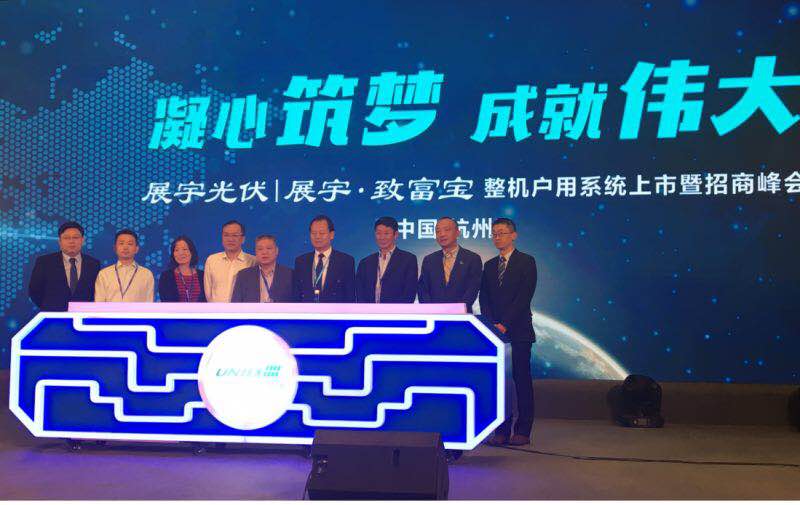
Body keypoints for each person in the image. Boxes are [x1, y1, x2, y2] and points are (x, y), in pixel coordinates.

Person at [479, 218, 537, 446]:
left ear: (513, 235)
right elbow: (484, 296)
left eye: (502, 233)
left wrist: (505, 323)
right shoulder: (489, 265)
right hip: (495, 332)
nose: (497, 237)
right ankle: (501, 429)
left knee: (521, 379)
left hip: (519, 330)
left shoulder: (527, 261)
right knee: (499, 382)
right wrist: (492, 323)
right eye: (494, 233)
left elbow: (524, 297)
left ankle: (523, 429)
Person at [28, 221, 101, 311]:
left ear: (82, 240)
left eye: (75, 237)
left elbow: (97, 293)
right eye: (66, 238)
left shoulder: (93, 264)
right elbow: (34, 291)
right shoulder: (44, 262)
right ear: (60, 241)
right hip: (54, 316)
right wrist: (50, 309)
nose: (71, 241)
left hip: (83, 316)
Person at [417, 217, 481, 312]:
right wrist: (431, 310)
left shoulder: (472, 258)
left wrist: (456, 310)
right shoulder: (429, 260)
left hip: (461, 315)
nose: (442, 234)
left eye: (447, 230)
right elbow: (423, 289)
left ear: (457, 233)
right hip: (433, 315)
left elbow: (472, 289)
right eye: (438, 231)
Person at [293, 215, 356, 303]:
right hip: (307, 310)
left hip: (335, 310)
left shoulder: (345, 261)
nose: (317, 237)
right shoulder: (301, 261)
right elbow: (296, 295)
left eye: (322, 233)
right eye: (314, 233)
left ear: (331, 235)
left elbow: (350, 296)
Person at [356, 217, 418, 303]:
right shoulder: (365, 263)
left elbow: (409, 292)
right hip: (369, 310)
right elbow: (360, 293)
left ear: (396, 235)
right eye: (378, 233)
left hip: (397, 310)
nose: (382, 237)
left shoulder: (408, 260)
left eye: (386, 233)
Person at [95, 229, 154, 302]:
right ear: (115, 248)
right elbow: (99, 302)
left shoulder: (146, 274)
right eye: (121, 243)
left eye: (130, 244)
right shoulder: (104, 274)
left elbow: (149, 302)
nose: (125, 247)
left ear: (136, 249)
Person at [231, 234, 294, 303]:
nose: (264, 252)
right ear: (256, 252)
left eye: (269, 248)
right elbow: (235, 304)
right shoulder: (243, 276)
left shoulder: (290, 275)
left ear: (276, 251)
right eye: (260, 249)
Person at [203, 220, 256, 302]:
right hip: (217, 309)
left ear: (243, 239)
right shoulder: (212, 260)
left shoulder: (252, 261)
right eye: (226, 235)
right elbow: (208, 292)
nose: (230, 239)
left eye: (235, 235)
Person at [158, 236, 207, 302]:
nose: (181, 253)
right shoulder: (166, 276)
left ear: (191, 252)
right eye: (176, 250)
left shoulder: (202, 275)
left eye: (185, 249)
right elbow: (165, 301)